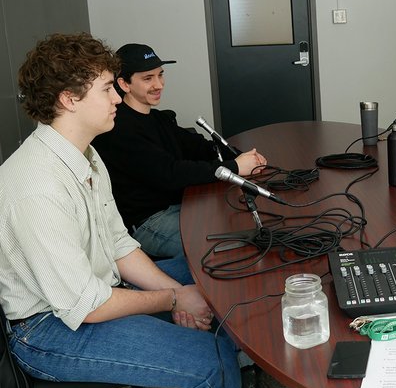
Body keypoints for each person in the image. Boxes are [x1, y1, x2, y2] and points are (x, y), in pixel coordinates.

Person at [0, 32, 301, 388]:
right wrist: (174, 296)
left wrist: (184, 292)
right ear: (68, 99)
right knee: (208, 351)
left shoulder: (84, 155)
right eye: (107, 88)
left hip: (95, 292)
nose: (117, 99)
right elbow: (86, 305)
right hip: (49, 330)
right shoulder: (36, 187)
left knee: (218, 270)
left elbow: (119, 244)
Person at [92, 43, 267, 259]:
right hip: (149, 223)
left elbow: (197, 146)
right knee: (230, 251)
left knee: (248, 227)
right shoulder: (119, 129)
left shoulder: (157, 118)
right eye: (148, 78)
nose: (159, 85)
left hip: (179, 205)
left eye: (160, 75)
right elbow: (170, 173)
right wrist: (235, 167)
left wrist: (241, 157)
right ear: (124, 84)